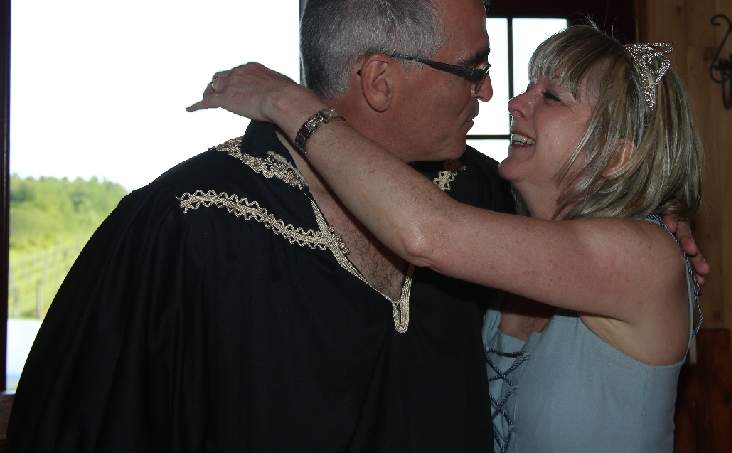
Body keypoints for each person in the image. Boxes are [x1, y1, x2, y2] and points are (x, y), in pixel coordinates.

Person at [7, 0, 707, 453]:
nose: (494, 94)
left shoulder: (473, 196)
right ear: (379, 81)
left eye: (544, 93)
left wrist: (653, 224)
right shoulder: (190, 225)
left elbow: (445, 232)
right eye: (473, 68)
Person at [191, 23, 705, 452]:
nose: (515, 103)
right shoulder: (502, 226)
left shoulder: (646, 256)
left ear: (615, 155)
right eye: (529, 87)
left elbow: (426, 231)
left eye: (550, 97)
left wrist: (284, 100)